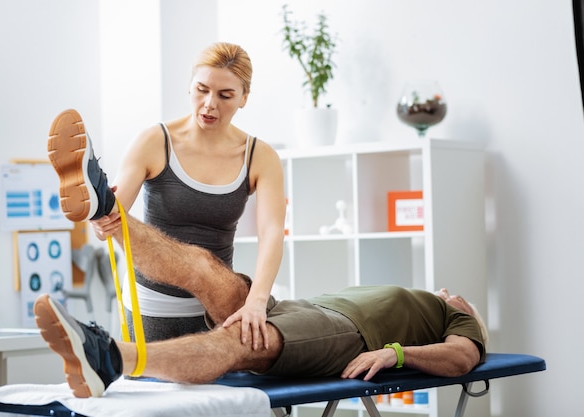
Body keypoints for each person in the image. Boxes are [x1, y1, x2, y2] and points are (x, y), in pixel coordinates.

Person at [39, 119, 488, 398]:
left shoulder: (456, 320)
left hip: (344, 334)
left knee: (239, 343)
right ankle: (106, 207)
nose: (451, 292)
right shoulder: (421, 298)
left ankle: (109, 357)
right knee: (204, 267)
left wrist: (395, 353)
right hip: (303, 309)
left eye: (460, 298)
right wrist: (258, 300)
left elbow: (462, 358)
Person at [49, 42, 286, 346]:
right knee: (114, 215)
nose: (209, 104)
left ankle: (100, 200)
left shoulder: (259, 156)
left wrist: (256, 301)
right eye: (201, 90)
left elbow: (272, 232)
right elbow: (106, 233)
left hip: (217, 304)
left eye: (225, 95)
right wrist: (103, 222)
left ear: (244, 99)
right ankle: (99, 201)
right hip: (152, 302)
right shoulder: (154, 141)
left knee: (214, 393)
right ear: (189, 87)